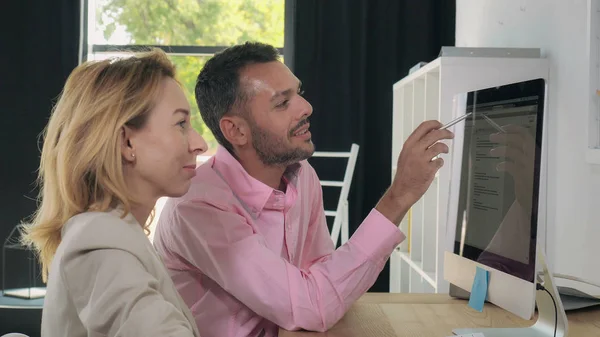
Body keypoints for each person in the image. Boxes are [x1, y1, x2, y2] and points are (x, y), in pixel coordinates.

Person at [153, 42, 453, 337]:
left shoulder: (301, 175)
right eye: (282, 103)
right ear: (237, 130)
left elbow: (323, 275)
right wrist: (399, 195)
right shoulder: (199, 207)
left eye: (299, 93)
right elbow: (313, 305)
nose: (306, 108)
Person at [21, 49, 206, 337]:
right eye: (181, 124)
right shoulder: (100, 242)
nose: (199, 144)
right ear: (126, 142)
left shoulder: (114, 233)